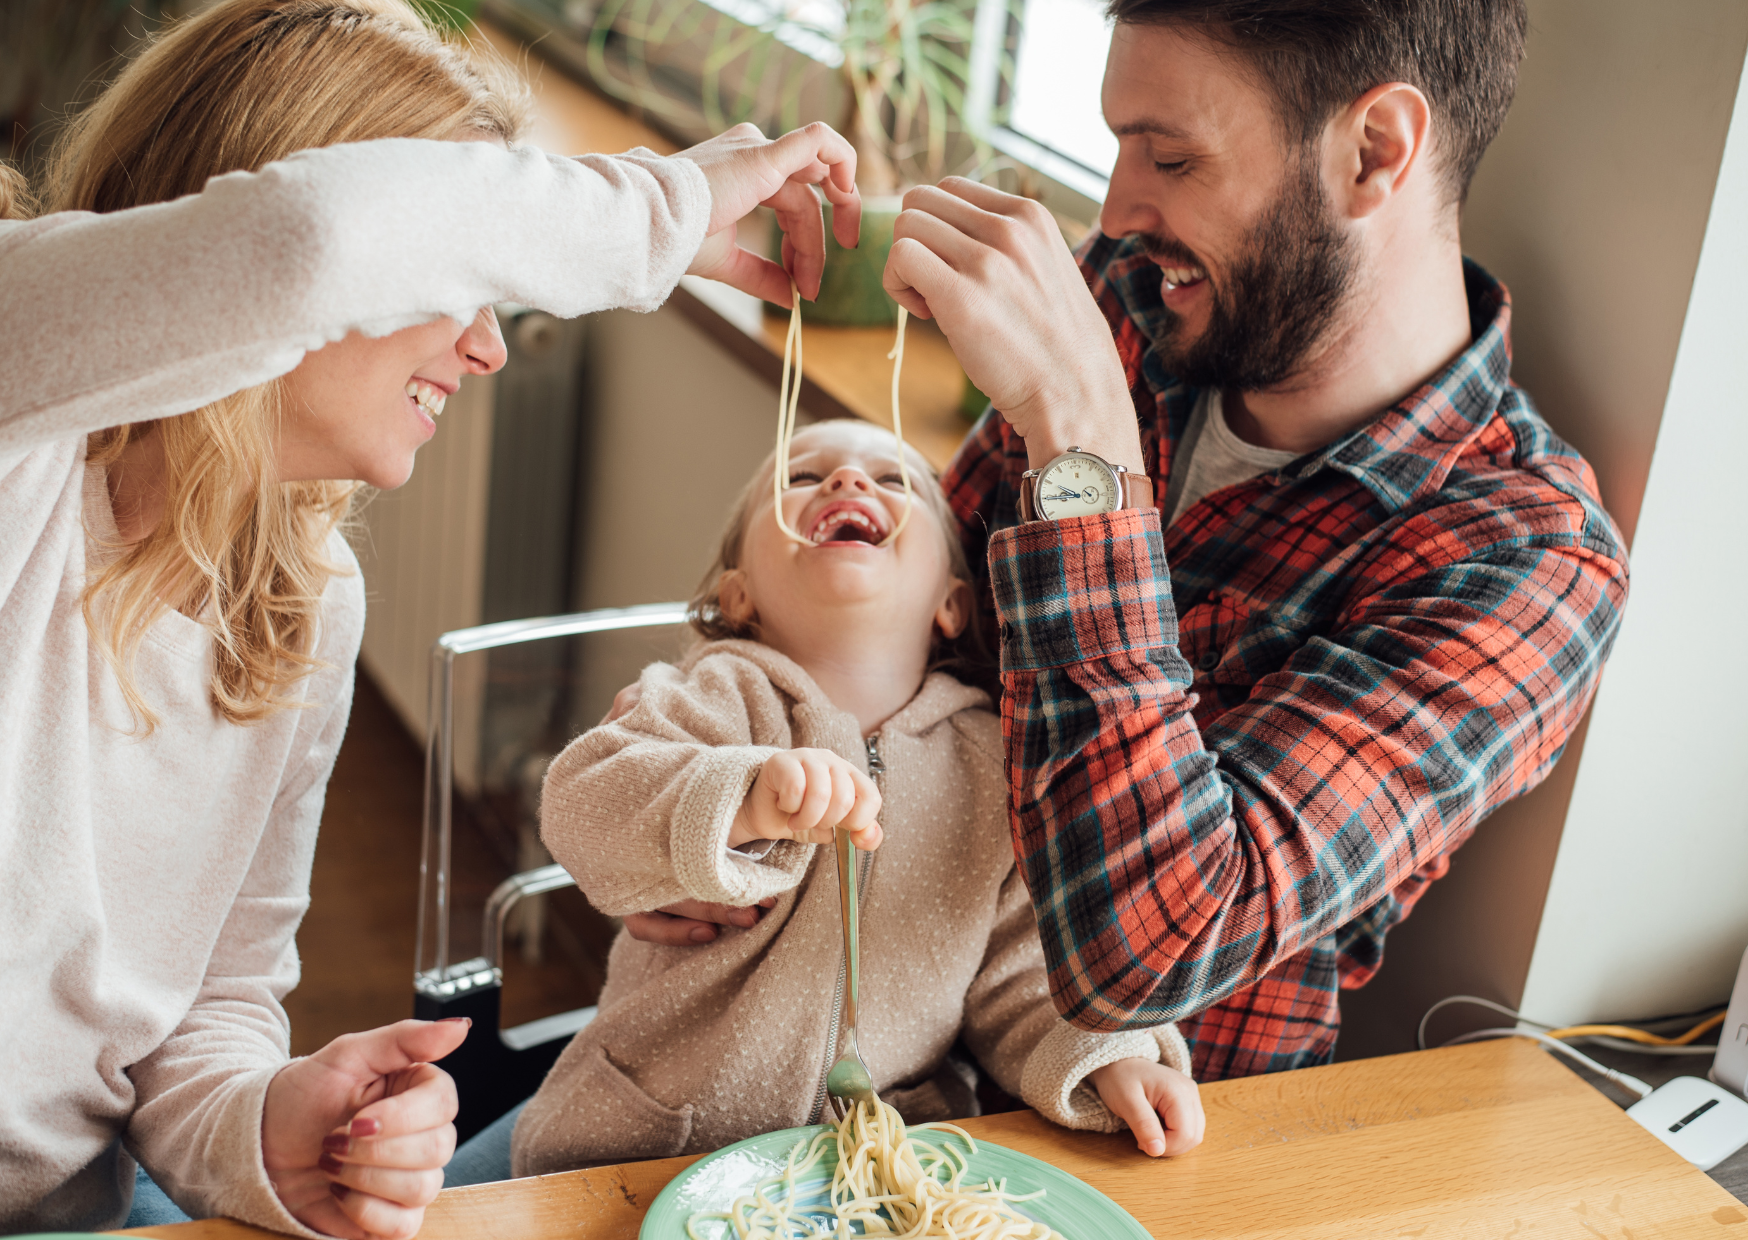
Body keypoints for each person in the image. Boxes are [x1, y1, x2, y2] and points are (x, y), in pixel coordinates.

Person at [632, 0, 1630, 1080]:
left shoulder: (1520, 560)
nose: (1115, 209)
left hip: (1114, 1142)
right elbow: (922, 640)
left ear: (1371, 150)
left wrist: (1084, 450)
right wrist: (692, 795)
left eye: (1170, 156)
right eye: (1116, 145)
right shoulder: (1133, 291)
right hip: (830, 1039)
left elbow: (1152, 952)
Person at [0, 0, 863, 1234]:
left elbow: (207, 1010)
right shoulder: (19, 413)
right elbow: (307, 236)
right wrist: (648, 211)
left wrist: (271, 1126)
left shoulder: (304, 597)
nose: (488, 347)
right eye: (466, 280)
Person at [493, 420, 1202, 1183]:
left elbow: (1022, 976)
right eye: (800, 476)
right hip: (644, 1151)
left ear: (953, 605)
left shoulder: (996, 762)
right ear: (738, 593)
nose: (848, 482)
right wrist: (741, 798)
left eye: (894, 480)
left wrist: (1107, 1059)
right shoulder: (712, 696)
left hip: (874, 1172)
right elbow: (583, 806)